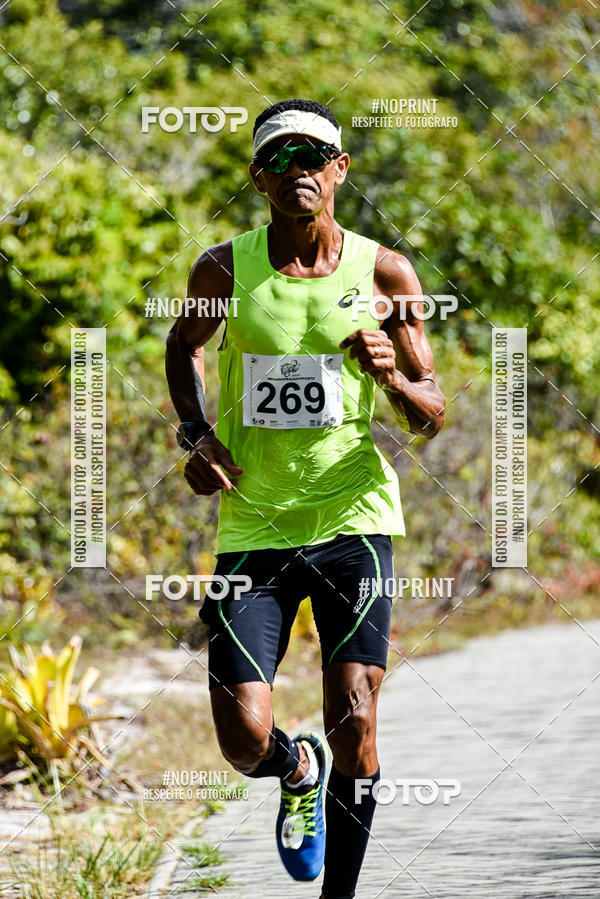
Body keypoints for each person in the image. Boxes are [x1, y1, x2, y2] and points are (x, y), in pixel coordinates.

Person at [165, 98, 445, 898]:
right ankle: (295, 768)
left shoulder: (385, 273)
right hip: (254, 523)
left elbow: (432, 416)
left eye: (315, 156)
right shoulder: (224, 268)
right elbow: (181, 346)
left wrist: (392, 374)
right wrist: (195, 435)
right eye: (281, 159)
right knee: (241, 737)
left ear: (340, 170)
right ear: (259, 178)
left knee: (355, 714)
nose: (300, 172)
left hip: (354, 518)